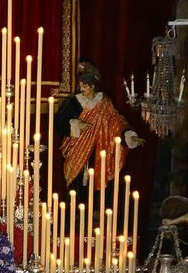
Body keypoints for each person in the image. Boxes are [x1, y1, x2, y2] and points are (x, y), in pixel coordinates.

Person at [54, 60, 143, 191]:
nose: (81, 88)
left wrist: (128, 135)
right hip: (77, 148)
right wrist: (76, 124)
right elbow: (60, 122)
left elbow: (115, 121)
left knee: (94, 185)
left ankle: (95, 209)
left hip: (98, 148)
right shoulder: (74, 101)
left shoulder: (104, 102)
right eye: (81, 85)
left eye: (85, 86)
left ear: (93, 86)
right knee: (77, 185)